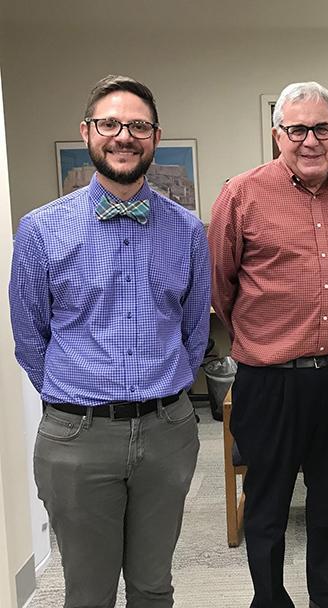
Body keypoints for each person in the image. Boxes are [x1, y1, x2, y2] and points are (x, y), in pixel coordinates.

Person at [9, 75, 210, 607]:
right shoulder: (39, 229)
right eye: (110, 124)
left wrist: (165, 391)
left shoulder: (188, 231)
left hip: (167, 433)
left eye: (138, 125)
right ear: (88, 132)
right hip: (76, 438)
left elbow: (195, 331)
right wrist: (75, 396)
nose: (124, 135)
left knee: (152, 586)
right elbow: (30, 338)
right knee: (88, 592)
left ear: (155, 136)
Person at [208, 81, 328, 608]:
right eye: (296, 129)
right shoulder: (242, 193)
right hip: (271, 379)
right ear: (277, 133)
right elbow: (220, 285)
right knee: (268, 502)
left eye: (321, 128)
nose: (309, 140)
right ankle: (269, 598)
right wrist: (264, 338)